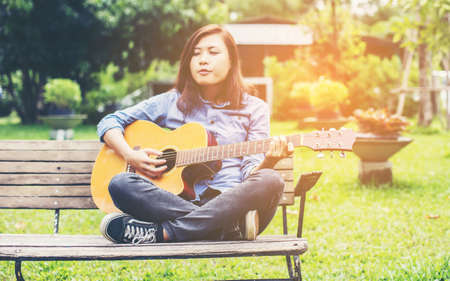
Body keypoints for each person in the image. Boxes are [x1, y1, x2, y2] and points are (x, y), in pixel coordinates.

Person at [97, 24, 294, 244]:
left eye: (213, 52)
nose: (202, 59)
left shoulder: (254, 108)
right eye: (195, 53)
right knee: (120, 184)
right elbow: (110, 121)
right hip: (180, 204)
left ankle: (163, 233)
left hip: (234, 204)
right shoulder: (171, 101)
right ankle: (225, 228)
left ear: (232, 61)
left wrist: (270, 160)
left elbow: (251, 175)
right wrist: (129, 155)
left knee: (271, 180)